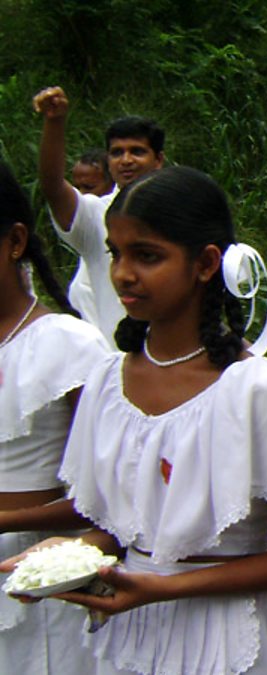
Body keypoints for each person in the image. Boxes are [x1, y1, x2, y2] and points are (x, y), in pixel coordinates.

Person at [0, 166, 267, 675]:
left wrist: (166, 586)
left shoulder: (261, 390)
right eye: (116, 253)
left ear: (205, 263)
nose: (122, 274)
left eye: (147, 255)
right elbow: (116, 527)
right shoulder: (106, 383)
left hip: (228, 641)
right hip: (126, 638)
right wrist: (68, 555)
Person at [0, 161, 110, 675]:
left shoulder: (69, 346)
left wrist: (12, 523)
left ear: (15, 241)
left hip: (49, 570)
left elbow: (111, 497)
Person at [33, 86, 165, 347]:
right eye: (117, 152)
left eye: (137, 151)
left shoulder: (184, 212)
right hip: (118, 368)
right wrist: (55, 122)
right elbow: (53, 186)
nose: (126, 160)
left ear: (158, 159)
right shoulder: (96, 216)